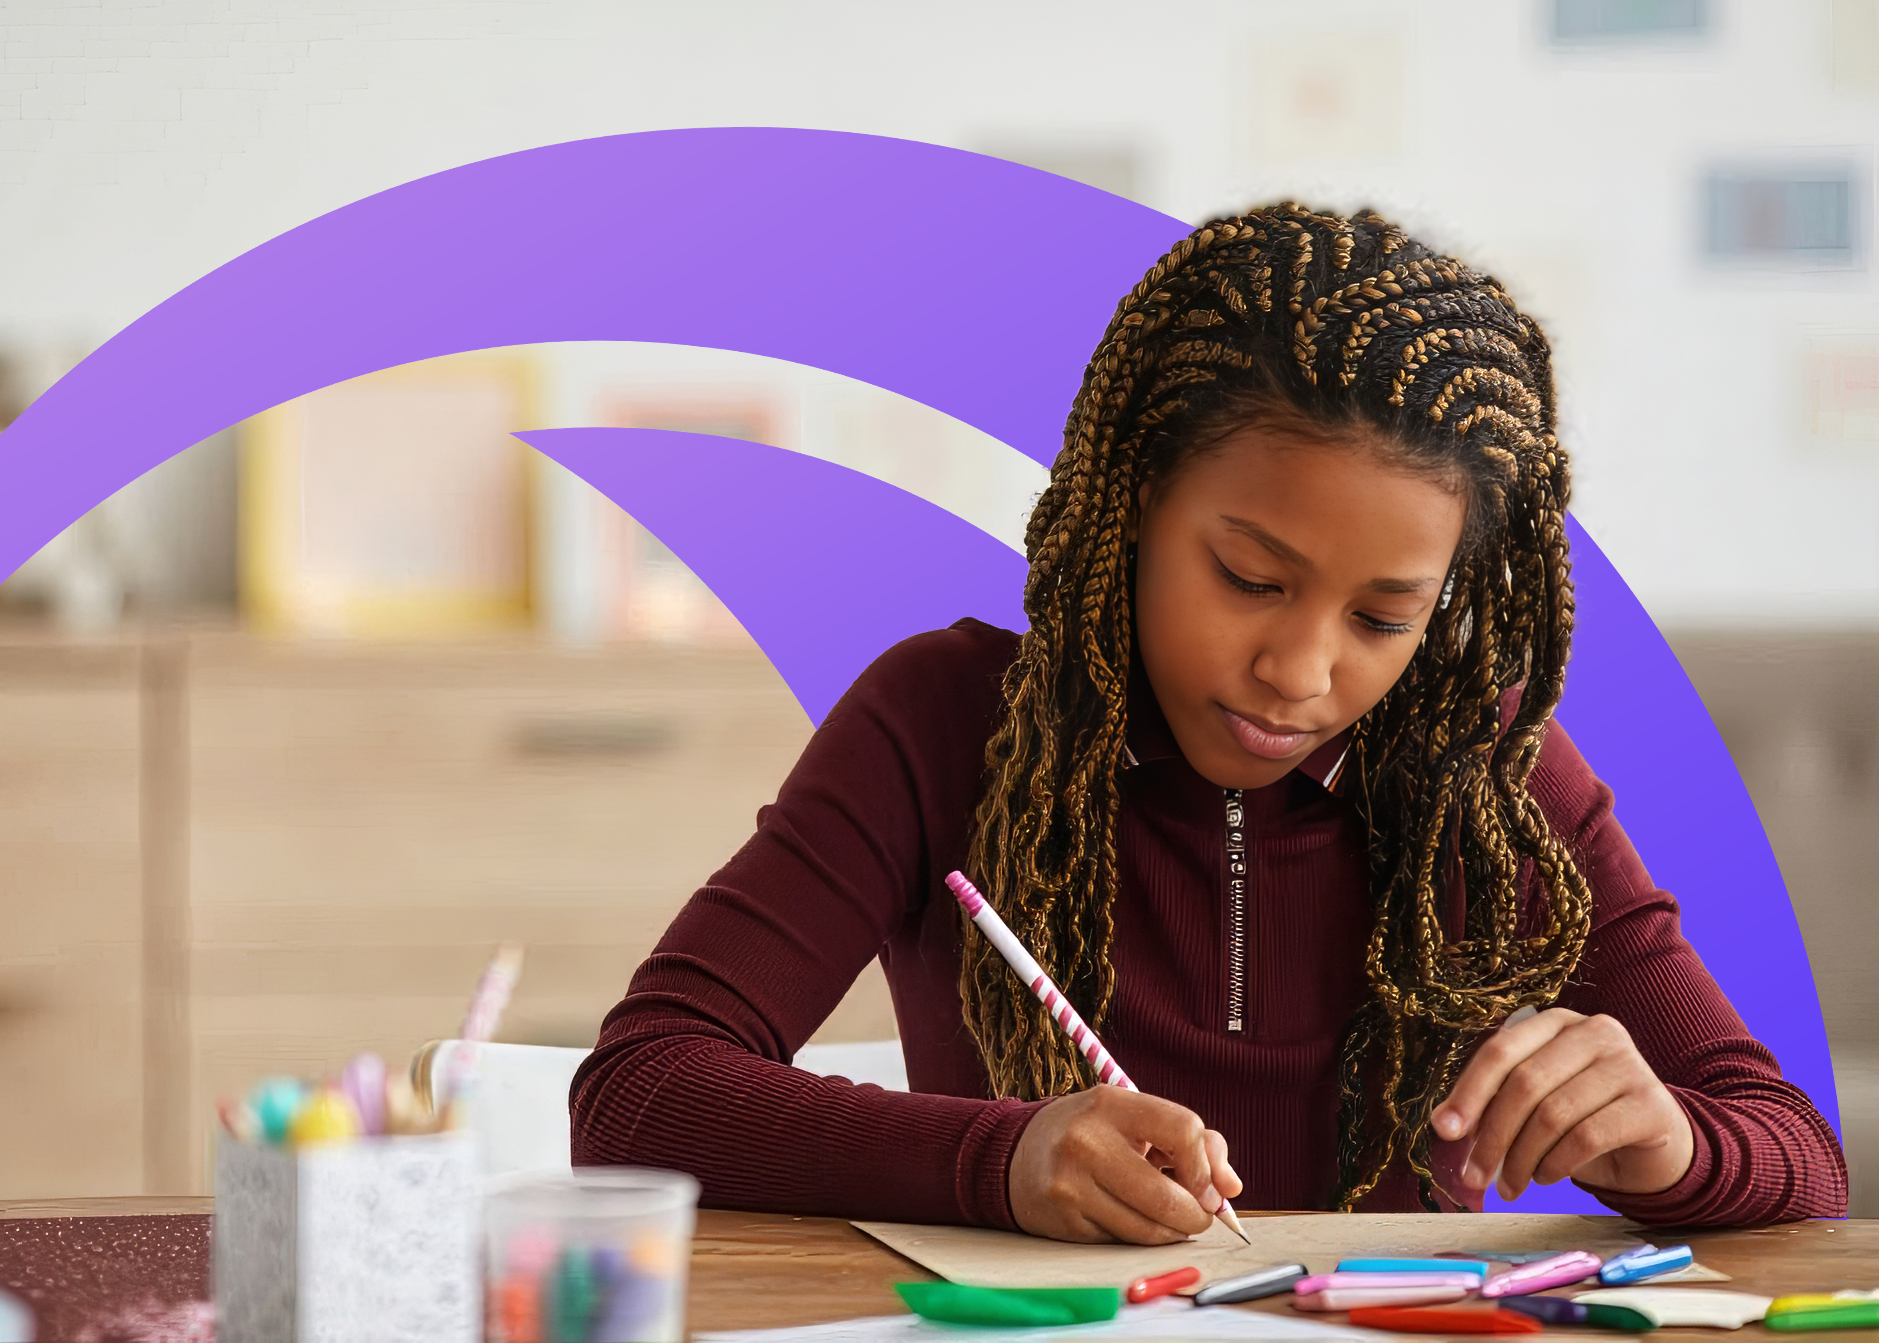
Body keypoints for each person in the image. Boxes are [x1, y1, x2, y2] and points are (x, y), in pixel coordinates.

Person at [568, 205, 1848, 1239]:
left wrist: (1669, 1140)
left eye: (1382, 616)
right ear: (1127, 505)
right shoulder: (942, 720)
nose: (1298, 669)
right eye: (1248, 577)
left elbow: (1796, 1157)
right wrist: (994, 1158)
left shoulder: (1488, 774)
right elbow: (637, 1090)